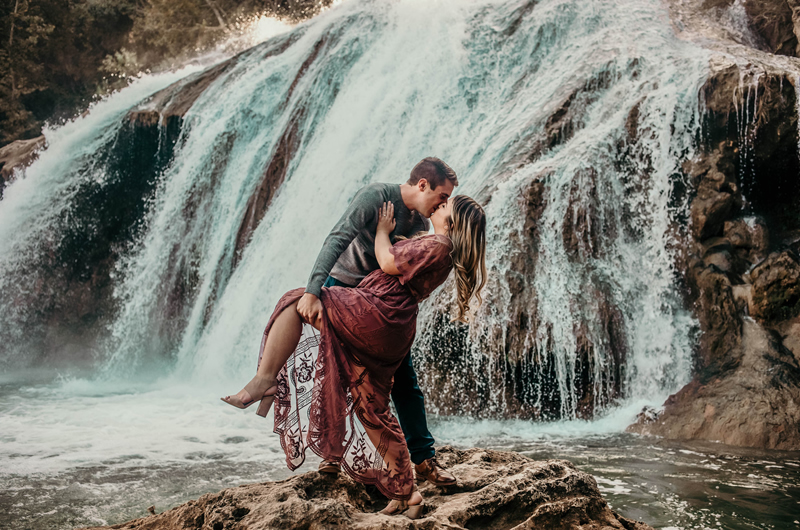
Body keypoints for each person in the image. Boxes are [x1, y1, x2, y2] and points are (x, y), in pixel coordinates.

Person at [222, 194, 487, 517]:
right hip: (394, 322)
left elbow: (388, 261)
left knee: (296, 301)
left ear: (453, 220)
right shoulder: (442, 248)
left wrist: (382, 231)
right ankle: (407, 495)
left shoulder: (438, 244)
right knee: (371, 406)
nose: (440, 204)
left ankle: (265, 380)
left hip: (377, 311)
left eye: (446, 204)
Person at [301, 157, 460, 486]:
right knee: (336, 371)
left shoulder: (420, 224)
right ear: (421, 185)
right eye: (442, 196)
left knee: (405, 382)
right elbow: (336, 238)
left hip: (379, 305)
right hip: (342, 290)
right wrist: (312, 291)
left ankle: (424, 461)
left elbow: (400, 270)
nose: (444, 204)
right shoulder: (374, 197)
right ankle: (331, 458)